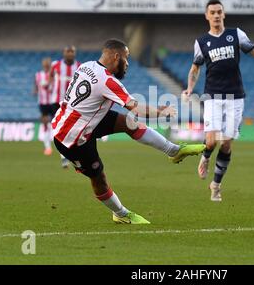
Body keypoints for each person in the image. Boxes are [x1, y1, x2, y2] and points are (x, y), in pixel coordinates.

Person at [52, 39, 205, 224]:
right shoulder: (107, 81)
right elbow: (137, 108)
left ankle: (174, 151)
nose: (128, 64)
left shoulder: (87, 66)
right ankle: (121, 214)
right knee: (98, 176)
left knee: (127, 122)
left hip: (77, 120)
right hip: (72, 139)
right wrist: (161, 111)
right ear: (116, 56)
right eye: (126, 58)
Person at [182, 0, 254, 202]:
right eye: (212, 12)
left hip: (235, 96)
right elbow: (195, 68)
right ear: (207, 16)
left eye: (219, 12)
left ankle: (216, 185)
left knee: (226, 144)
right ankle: (206, 156)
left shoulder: (236, 34)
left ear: (223, 14)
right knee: (211, 140)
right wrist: (190, 89)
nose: (216, 15)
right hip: (213, 96)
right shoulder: (201, 42)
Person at [48, 46, 81, 168]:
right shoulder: (55, 65)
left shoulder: (79, 65)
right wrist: (50, 85)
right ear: (64, 53)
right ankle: (64, 157)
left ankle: (72, 154)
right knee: (58, 129)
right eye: (68, 51)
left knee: (72, 129)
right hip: (56, 101)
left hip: (72, 103)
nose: (70, 54)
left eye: (72, 51)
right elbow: (50, 76)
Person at [33, 57, 53, 155]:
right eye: (44, 63)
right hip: (42, 103)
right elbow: (36, 87)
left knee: (56, 124)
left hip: (53, 102)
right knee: (45, 124)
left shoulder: (53, 75)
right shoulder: (38, 75)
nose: (46, 64)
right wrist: (35, 91)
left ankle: (61, 147)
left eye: (47, 63)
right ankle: (48, 147)